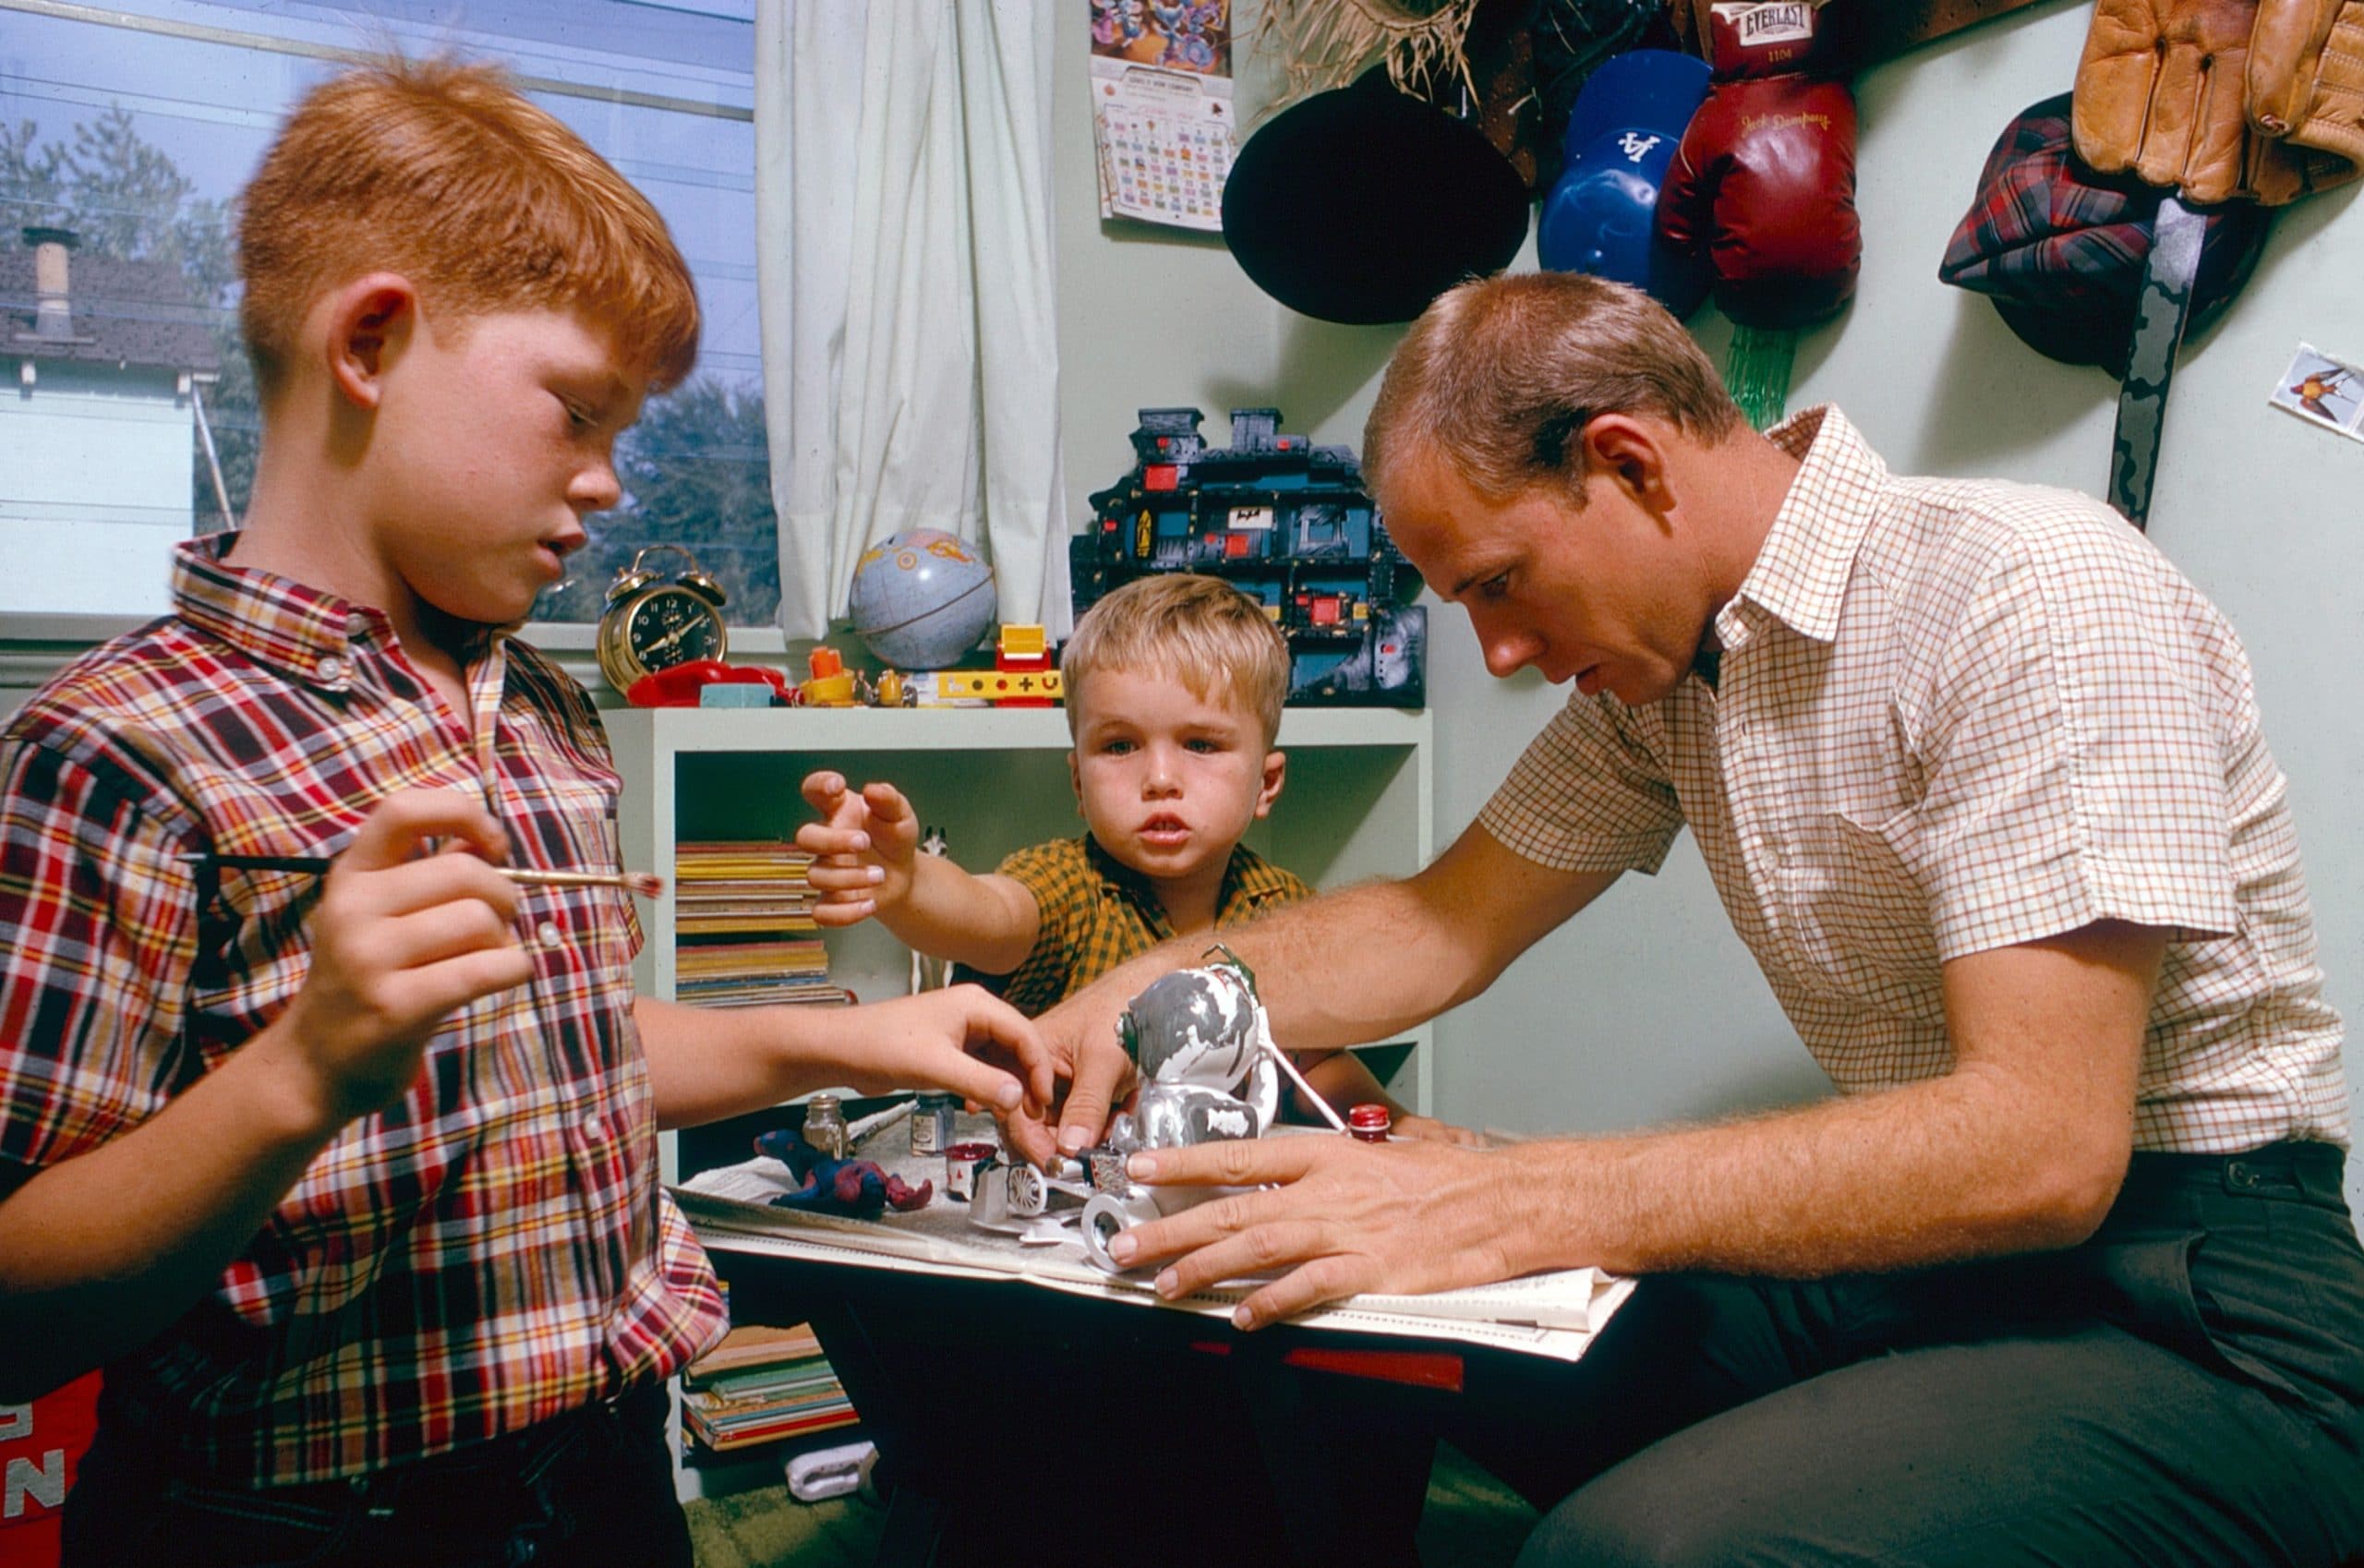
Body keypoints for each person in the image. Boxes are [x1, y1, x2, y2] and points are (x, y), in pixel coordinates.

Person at [1014, 271, 2364, 1566]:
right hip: (1942, 1270)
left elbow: (2039, 1145)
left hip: (2199, 1302)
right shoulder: (1666, 676)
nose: (1499, 652)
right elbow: (1438, 923)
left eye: (1497, 582)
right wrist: (1122, 1001)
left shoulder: (2030, 588)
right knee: (1358, 1317)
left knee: (1627, 1551)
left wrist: (1516, 1190)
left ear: (1629, 463)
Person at [0, 57, 1048, 1568]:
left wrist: (857, 1032)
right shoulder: (118, 750)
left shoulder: (544, 712)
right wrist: (302, 1071)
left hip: (607, 1491)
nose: (614, 481)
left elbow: (566, 1057)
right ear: (371, 340)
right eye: (576, 410)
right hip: (291, 1526)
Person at [798, 570, 1467, 1140]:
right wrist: (910, 885)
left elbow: (1314, 1064)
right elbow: (990, 918)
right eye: (1120, 746)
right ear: (1078, 785)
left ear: (1266, 783)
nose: (1159, 779)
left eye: (1201, 745)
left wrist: (1397, 1130)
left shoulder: (1281, 908)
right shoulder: (1069, 881)